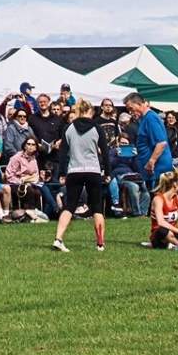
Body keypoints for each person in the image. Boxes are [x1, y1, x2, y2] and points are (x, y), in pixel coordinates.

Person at [51, 101, 111, 252]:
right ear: (90, 111)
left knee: (69, 206)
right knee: (97, 207)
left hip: (74, 170)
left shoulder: (68, 128)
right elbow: (105, 152)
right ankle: (100, 243)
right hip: (93, 170)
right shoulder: (97, 128)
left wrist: (62, 173)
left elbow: (63, 153)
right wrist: (108, 172)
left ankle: (58, 239)